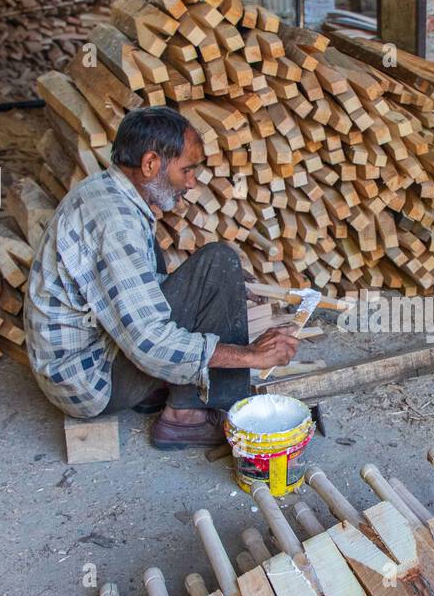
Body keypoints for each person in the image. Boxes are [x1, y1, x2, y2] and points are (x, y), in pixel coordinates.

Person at [24, 106, 299, 448]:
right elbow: (149, 341)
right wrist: (251, 356)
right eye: (187, 169)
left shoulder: (110, 192)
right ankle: (187, 417)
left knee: (213, 271)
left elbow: (135, 293)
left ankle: (165, 393)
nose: (191, 181)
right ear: (151, 163)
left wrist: (223, 289)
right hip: (89, 380)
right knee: (218, 261)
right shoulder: (116, 224)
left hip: (82, 360)